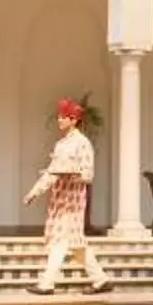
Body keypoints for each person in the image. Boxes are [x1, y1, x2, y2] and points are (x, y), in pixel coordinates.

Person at [24, 98, 111, 293]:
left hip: (73, 200)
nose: (59, 121)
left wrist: (73, 173)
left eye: (63, 117)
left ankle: (46, 284)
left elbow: (88, 174)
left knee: (60, 241)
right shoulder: (61, 144)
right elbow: (51, 172)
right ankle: (101, 280)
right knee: (76, 243)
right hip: (59, 199)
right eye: (59, 117)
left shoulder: (83, 143)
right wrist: (34, 192)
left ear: (73, 120)